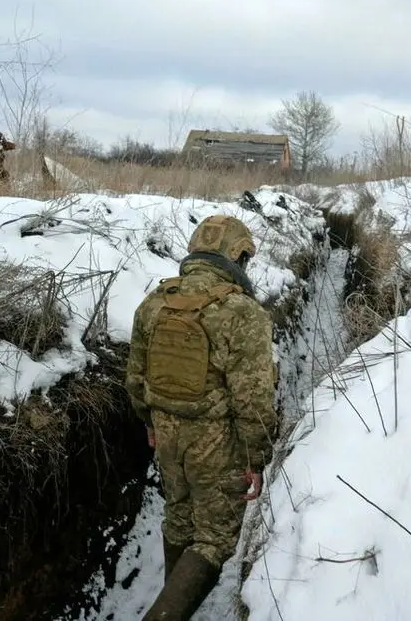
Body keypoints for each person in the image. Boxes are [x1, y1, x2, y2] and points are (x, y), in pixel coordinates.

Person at [125, 214, 278, 621]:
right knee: (213, 540)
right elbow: (254, 400)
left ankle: (170, 603)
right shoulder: (242, 312)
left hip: (166, 433)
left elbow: (136, 377)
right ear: (238, 256)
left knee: (178, 518)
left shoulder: (154, 302)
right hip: (217, 441)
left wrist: (150, 424)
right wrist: (255, 458)